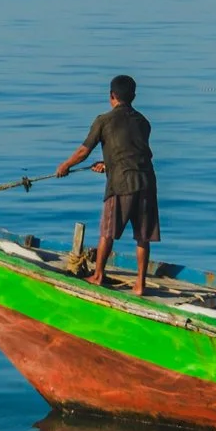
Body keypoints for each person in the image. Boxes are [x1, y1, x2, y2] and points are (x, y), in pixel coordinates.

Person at [55, 74, 160, 296]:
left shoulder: (104, 120)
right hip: (147, 182)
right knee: (143, 237)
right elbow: (136, 151)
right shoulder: (144, 122)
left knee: (107, 232)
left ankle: (98, 275)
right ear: (133, 96)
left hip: (121, 184)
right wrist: (107, 162)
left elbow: (84, 151)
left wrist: (65, 165)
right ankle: (140, 285)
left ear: (112, 96)